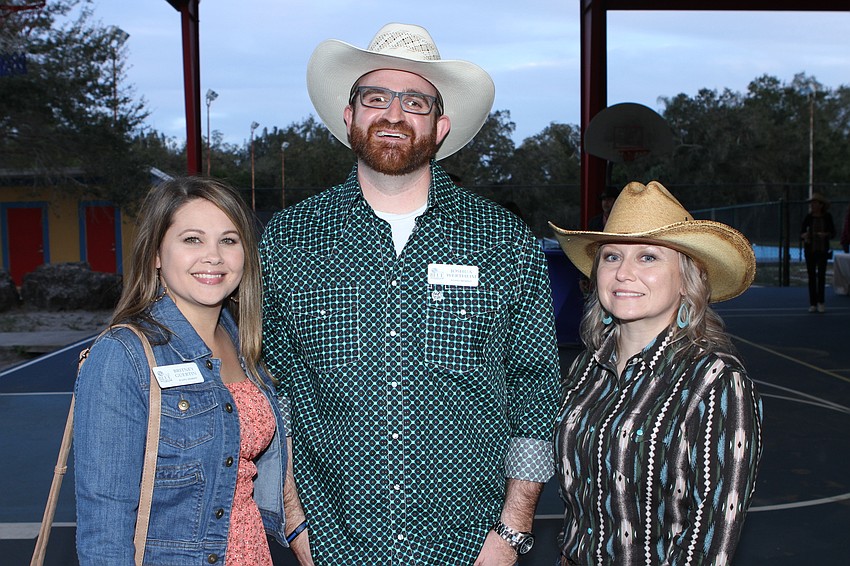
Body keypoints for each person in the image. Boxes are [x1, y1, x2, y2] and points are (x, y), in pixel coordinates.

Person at [260, 22, 560, 565]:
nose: (393, 114)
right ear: (350, 115)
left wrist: (513, 529)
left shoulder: (503, 239)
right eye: (375, 97)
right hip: (332, 544)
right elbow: (271, 386)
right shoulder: (289, 238)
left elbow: (534, 389)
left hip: (470, 547)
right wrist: (293, 518)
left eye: (415, 102)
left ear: (440, 126)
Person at [74, 177, 289, 564]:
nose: (213, 257)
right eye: (192, 240)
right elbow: (104, 522)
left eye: (229, 240)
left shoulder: (244, 344)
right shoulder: (124, 355)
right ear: (156, 253)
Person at [549, 181, 763, 565]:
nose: (623, 273)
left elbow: (711, 539)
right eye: (612, 257)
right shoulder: (587, 367)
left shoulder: (714, 380)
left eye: (648, 257)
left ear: (687, 279)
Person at [800, 193, 835, 312]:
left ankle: (821, 302)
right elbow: (801, 233)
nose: (812, 205)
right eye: (811, 203)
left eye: (814, 203)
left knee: (821, 276)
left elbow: (833, 232)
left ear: (821, 205)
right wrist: (804, 235)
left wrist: (825, 235)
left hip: (822, 250)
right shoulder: (808, 217)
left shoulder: (827, 217)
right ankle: (813, 303)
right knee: (811, 276)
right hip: (810, 250)